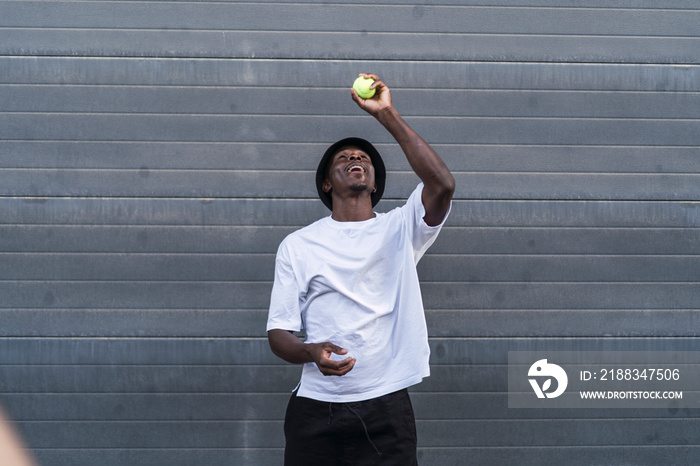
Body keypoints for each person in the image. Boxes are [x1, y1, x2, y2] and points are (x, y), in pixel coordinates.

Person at [266, 73, 455, 465]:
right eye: (345, 158)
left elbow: (443, 184)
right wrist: (310, 351)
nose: (356, 160)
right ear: (325, 184)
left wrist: (386, 114)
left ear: (373, 184)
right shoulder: (298, 245)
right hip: (316, 410)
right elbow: (278, 334)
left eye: (363, 159)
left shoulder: (401, 227)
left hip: (386, 406)